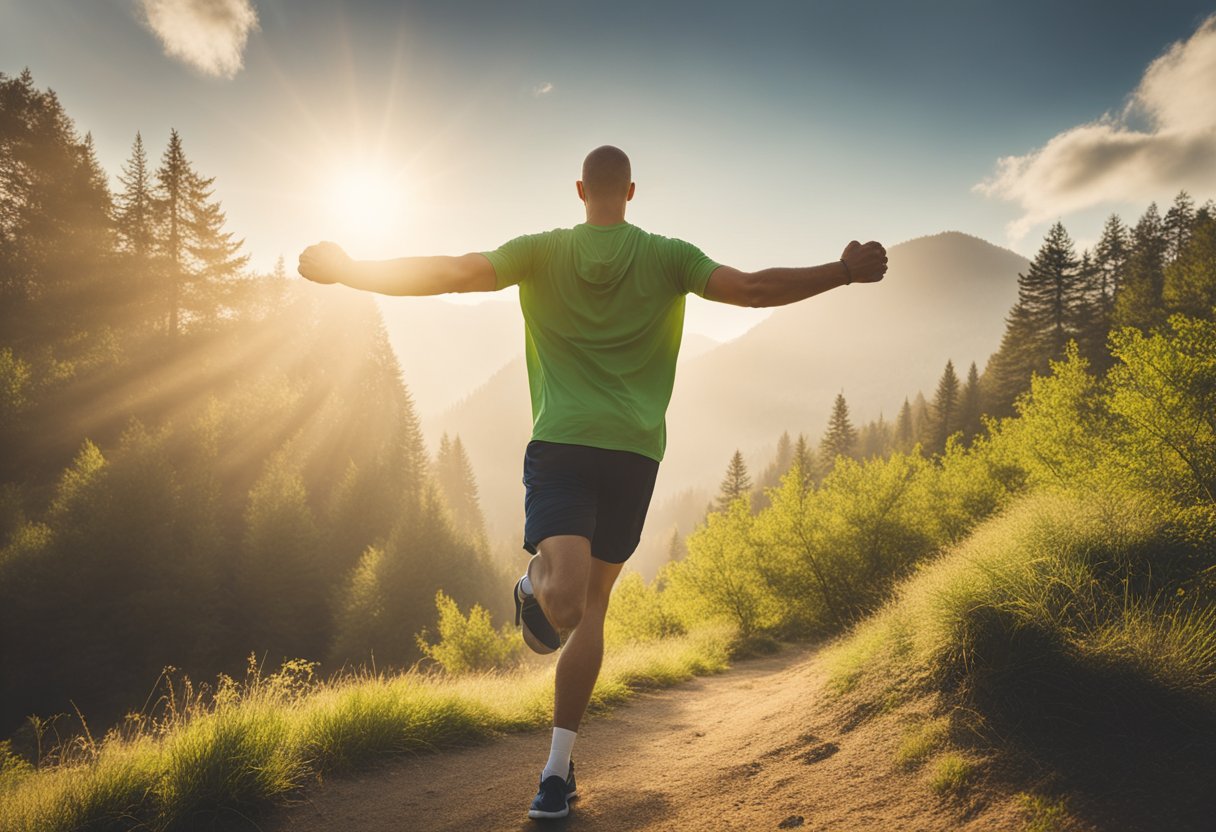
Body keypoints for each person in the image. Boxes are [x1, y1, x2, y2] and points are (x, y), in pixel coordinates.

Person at [297, 145, 888, 820]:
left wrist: (352, 270)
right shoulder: (624, 253)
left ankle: (556, 770)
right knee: (571, 603)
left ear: (581, 189)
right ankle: (538, 588)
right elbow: (752, 289)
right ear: (630, 191)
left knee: (592, 606)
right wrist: (841, 271)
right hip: (564, 449)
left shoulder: (608, 252)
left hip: (634, 455)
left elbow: (452, 273)